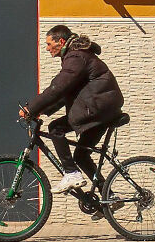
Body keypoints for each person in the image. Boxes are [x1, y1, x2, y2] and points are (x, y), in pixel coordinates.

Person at [20, 24, 125, 195]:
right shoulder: (77, 56)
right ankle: (110, 196)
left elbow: (58, 88)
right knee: (81, 156)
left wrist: (30, 108)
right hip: (102, 110)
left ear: (60, 41)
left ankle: (71, 173)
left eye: (48, 44)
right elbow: (66, 92)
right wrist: (42, 110)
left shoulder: (76, 57)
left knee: (55, 128)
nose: (47, 49)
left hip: (98, 109)